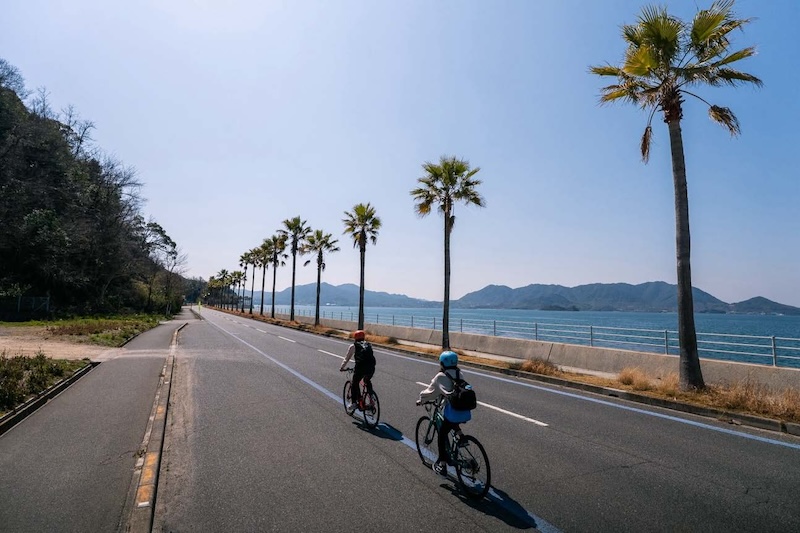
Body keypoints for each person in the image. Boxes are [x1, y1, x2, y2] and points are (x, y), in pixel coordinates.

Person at [416, 350, 472, 476]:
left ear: (442, 363)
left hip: (452, 411)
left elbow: (430, 392)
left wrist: (421, 400)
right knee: (451, 422)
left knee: (442, 435)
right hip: (464, 411)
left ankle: (442, 465)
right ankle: (462, 437)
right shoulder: (459, 373)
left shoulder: (440, 376)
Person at [339, 330, 376, 410]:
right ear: (364, 337)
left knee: (354, 383)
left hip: (360, 368)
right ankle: (371, 396)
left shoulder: (353, 346)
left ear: (355, 337)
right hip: (371, 367)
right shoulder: (368, 345)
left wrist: (342, 367)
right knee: (367, 380)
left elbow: (347, 358)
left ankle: (354, 403)